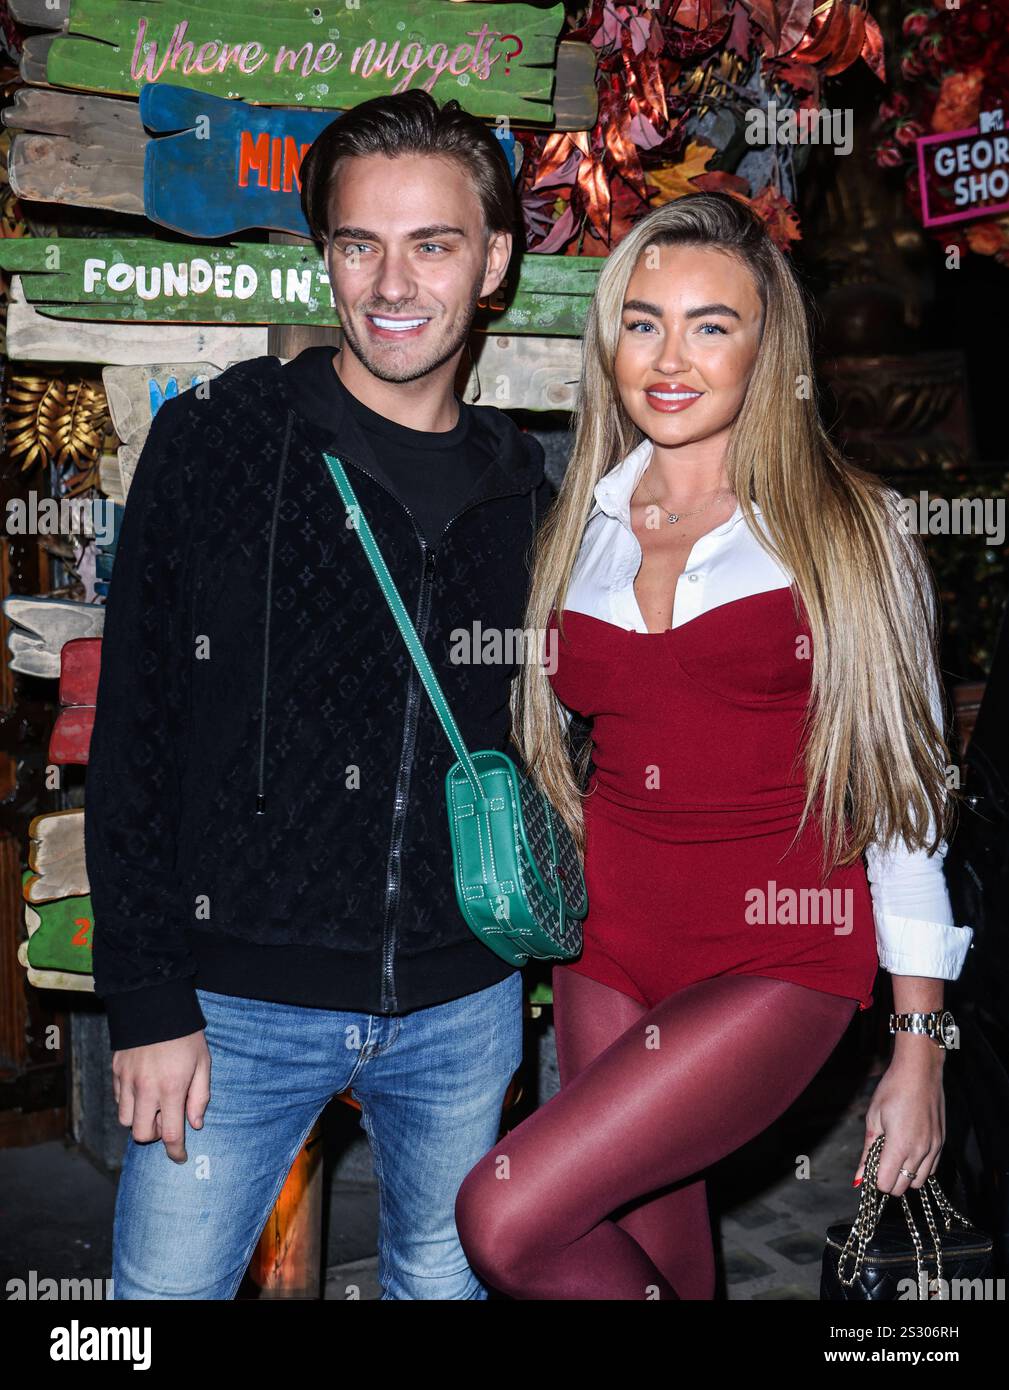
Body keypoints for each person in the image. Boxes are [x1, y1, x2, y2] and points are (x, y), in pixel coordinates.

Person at [454, 191, 974, 1300]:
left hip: (778, 959)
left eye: (710, 325)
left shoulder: (849, 533)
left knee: (503, 1213)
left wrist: (919, 1047)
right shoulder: (581, 528)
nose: (669, 357)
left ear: (766, 347)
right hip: (606, 950)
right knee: (657, 1262)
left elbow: (905, 808)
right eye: (643, 322)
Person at [85, 89, 554, 1300]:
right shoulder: (219, 442)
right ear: (325, 257)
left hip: (463, 1002)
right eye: (360, 243)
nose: (392, 283)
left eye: (433, 244)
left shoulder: (530, 495)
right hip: (231, 1010)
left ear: (494, 261)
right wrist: (144, 996)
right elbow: (134, 725)